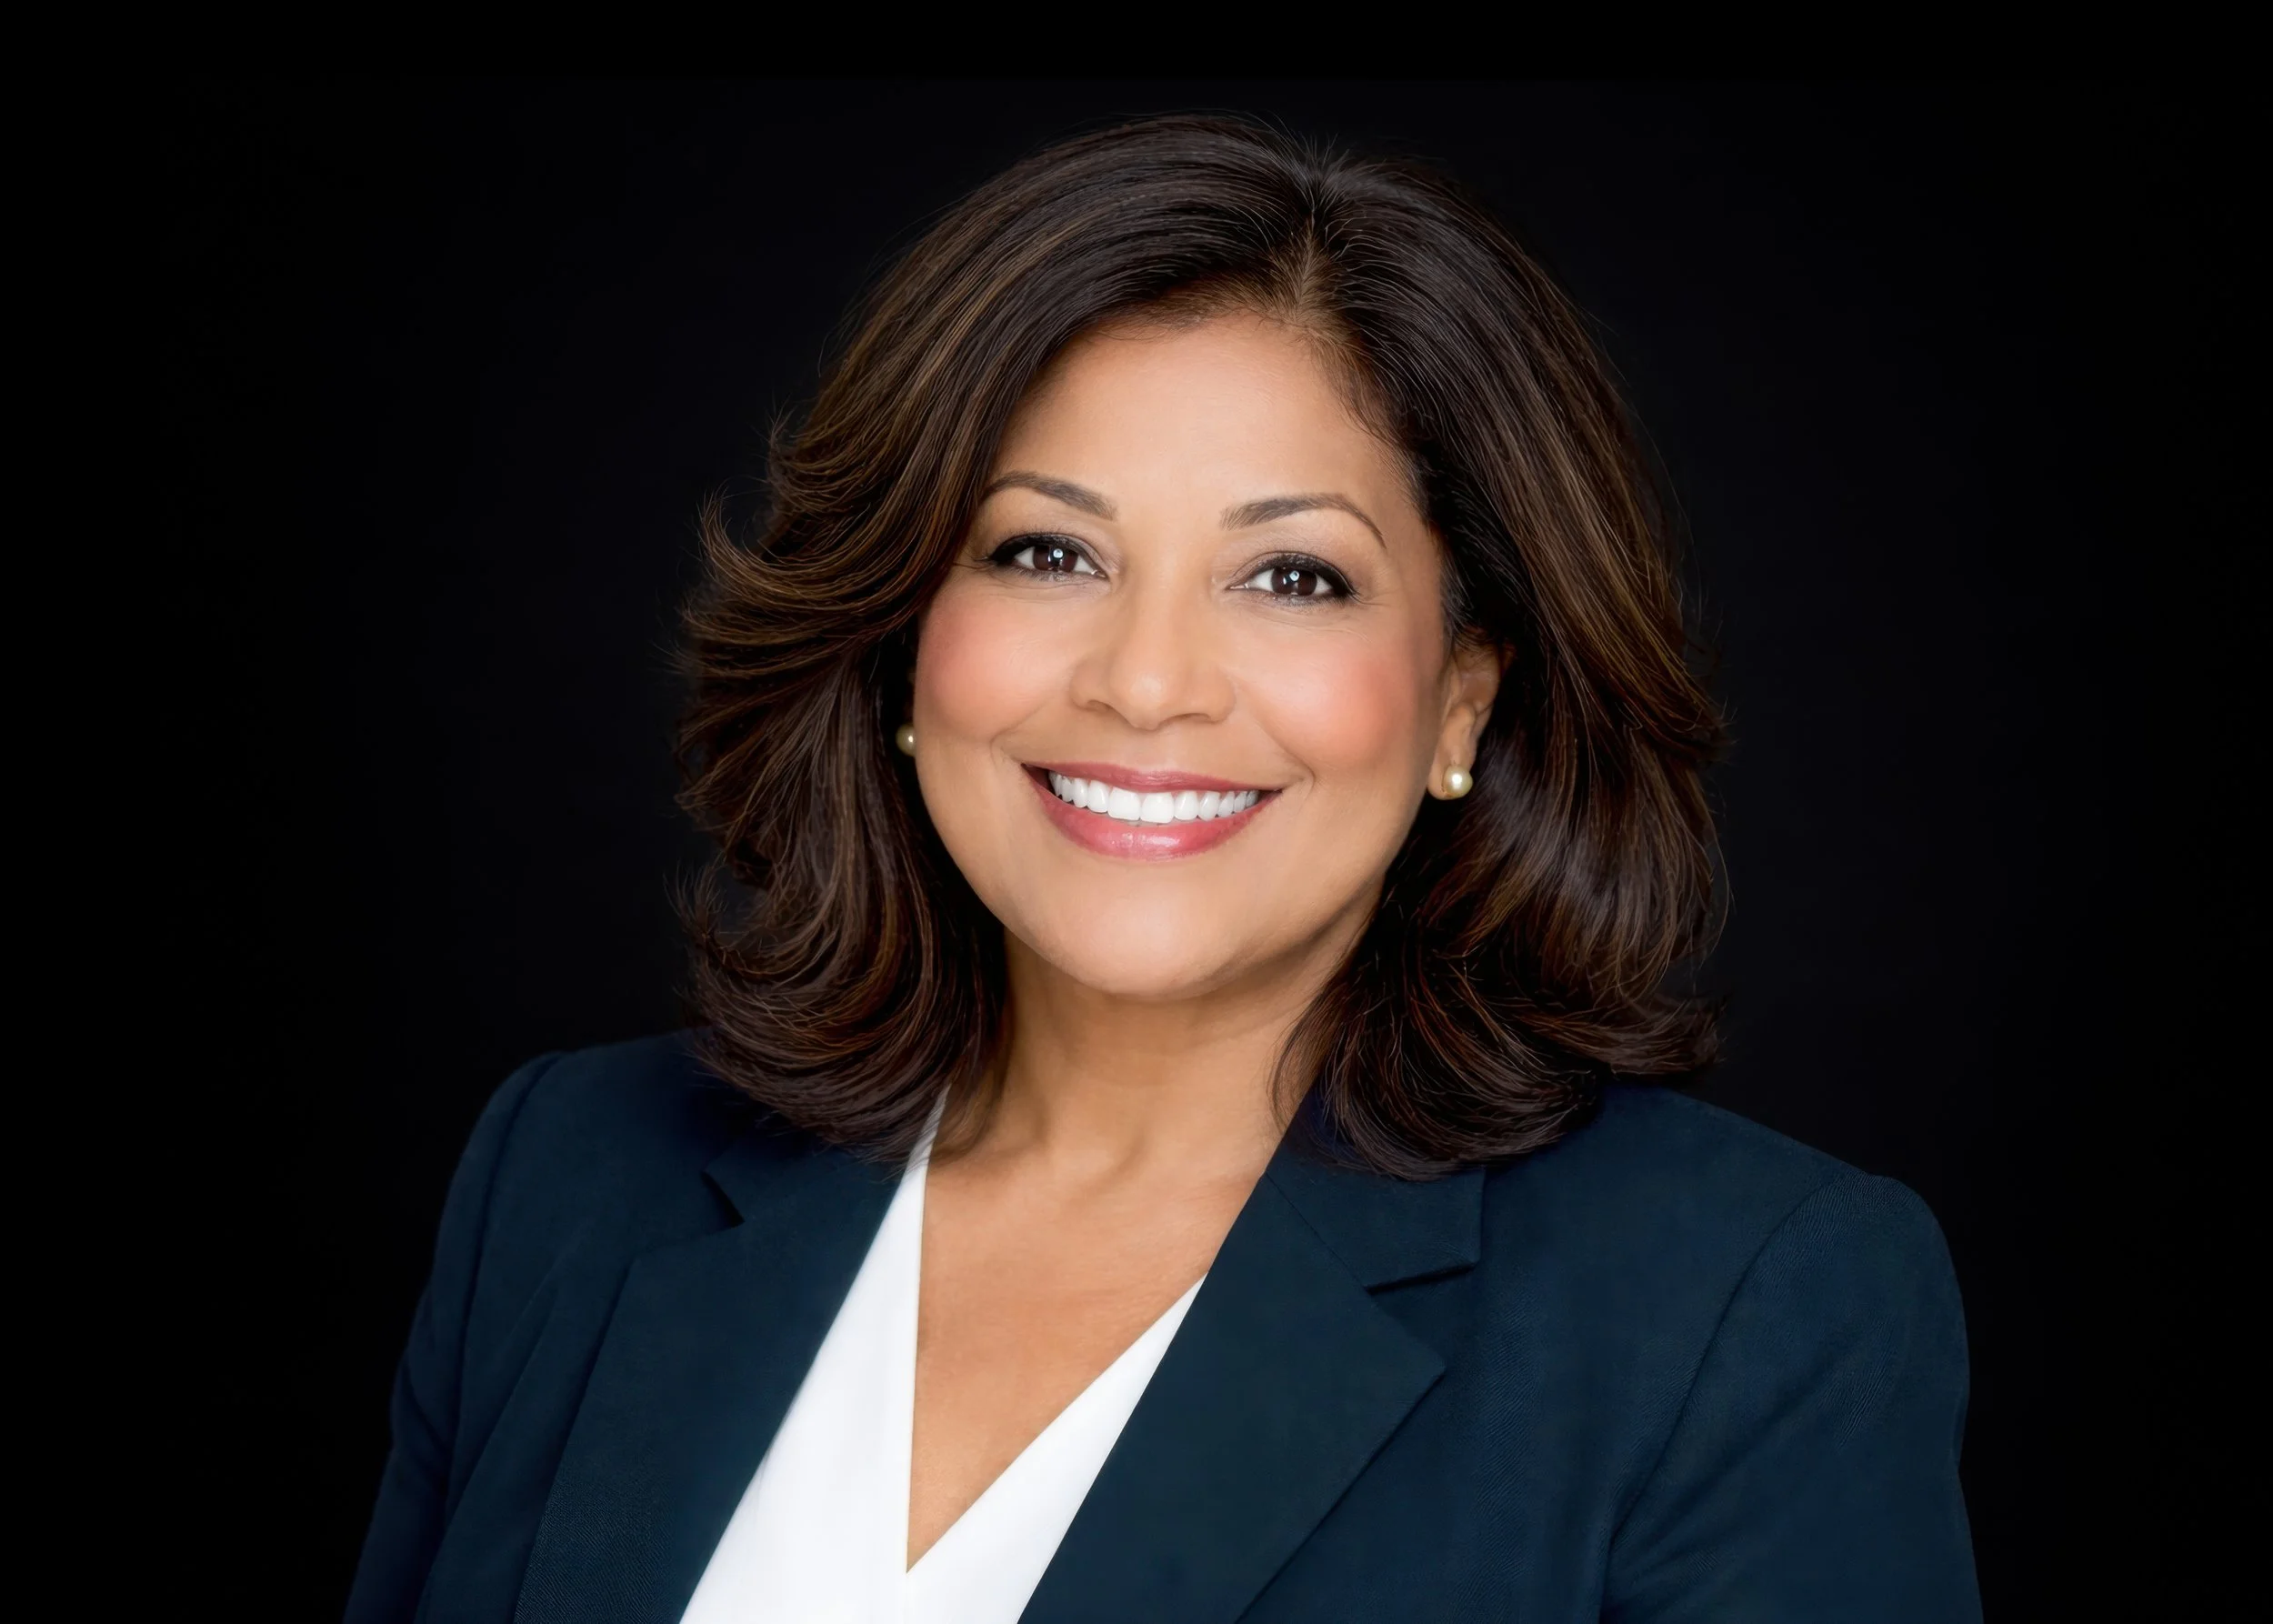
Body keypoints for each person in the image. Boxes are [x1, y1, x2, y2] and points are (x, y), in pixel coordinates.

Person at [345, 115, 1979, 1623]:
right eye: (1047, 551)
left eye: (1292, 574)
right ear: (905, 636)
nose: (1146, 681)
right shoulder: (569, 1175)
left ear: (1460, 699)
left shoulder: (1746, 1311)